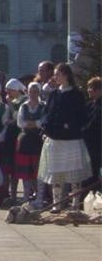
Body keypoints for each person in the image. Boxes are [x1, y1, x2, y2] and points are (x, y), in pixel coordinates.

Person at [37, 63, 92, 211]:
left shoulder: (76, 94)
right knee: (56, 173)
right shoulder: (54, 94)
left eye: (58, 74)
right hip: (55, 139)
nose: (55, 77)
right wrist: (45, 130)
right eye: (55, 74)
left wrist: (70, 125)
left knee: (74, 175)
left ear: (66, 75)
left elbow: (81, 115)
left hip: (71, 140)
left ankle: (74, 204)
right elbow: (47, 114)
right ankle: (57, 204)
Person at [15, 81, 46, 203]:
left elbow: (44, 120)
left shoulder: (43, 106)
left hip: (38, 140)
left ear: (39, 92)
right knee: (25, 170)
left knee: (38, 170)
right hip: (26, 140)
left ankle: (40, 197)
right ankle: (26, 196)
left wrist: (34, 123)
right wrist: (35, 123)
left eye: (35, 92)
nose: (32, 94)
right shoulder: (24, 106)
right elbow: (20, 122)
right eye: (30, 91)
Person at [82, 76, 101, 190]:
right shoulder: (89, 105)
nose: (89, 90)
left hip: (97, 143)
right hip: (88, 144)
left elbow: (94, 123)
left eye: (91, 88)